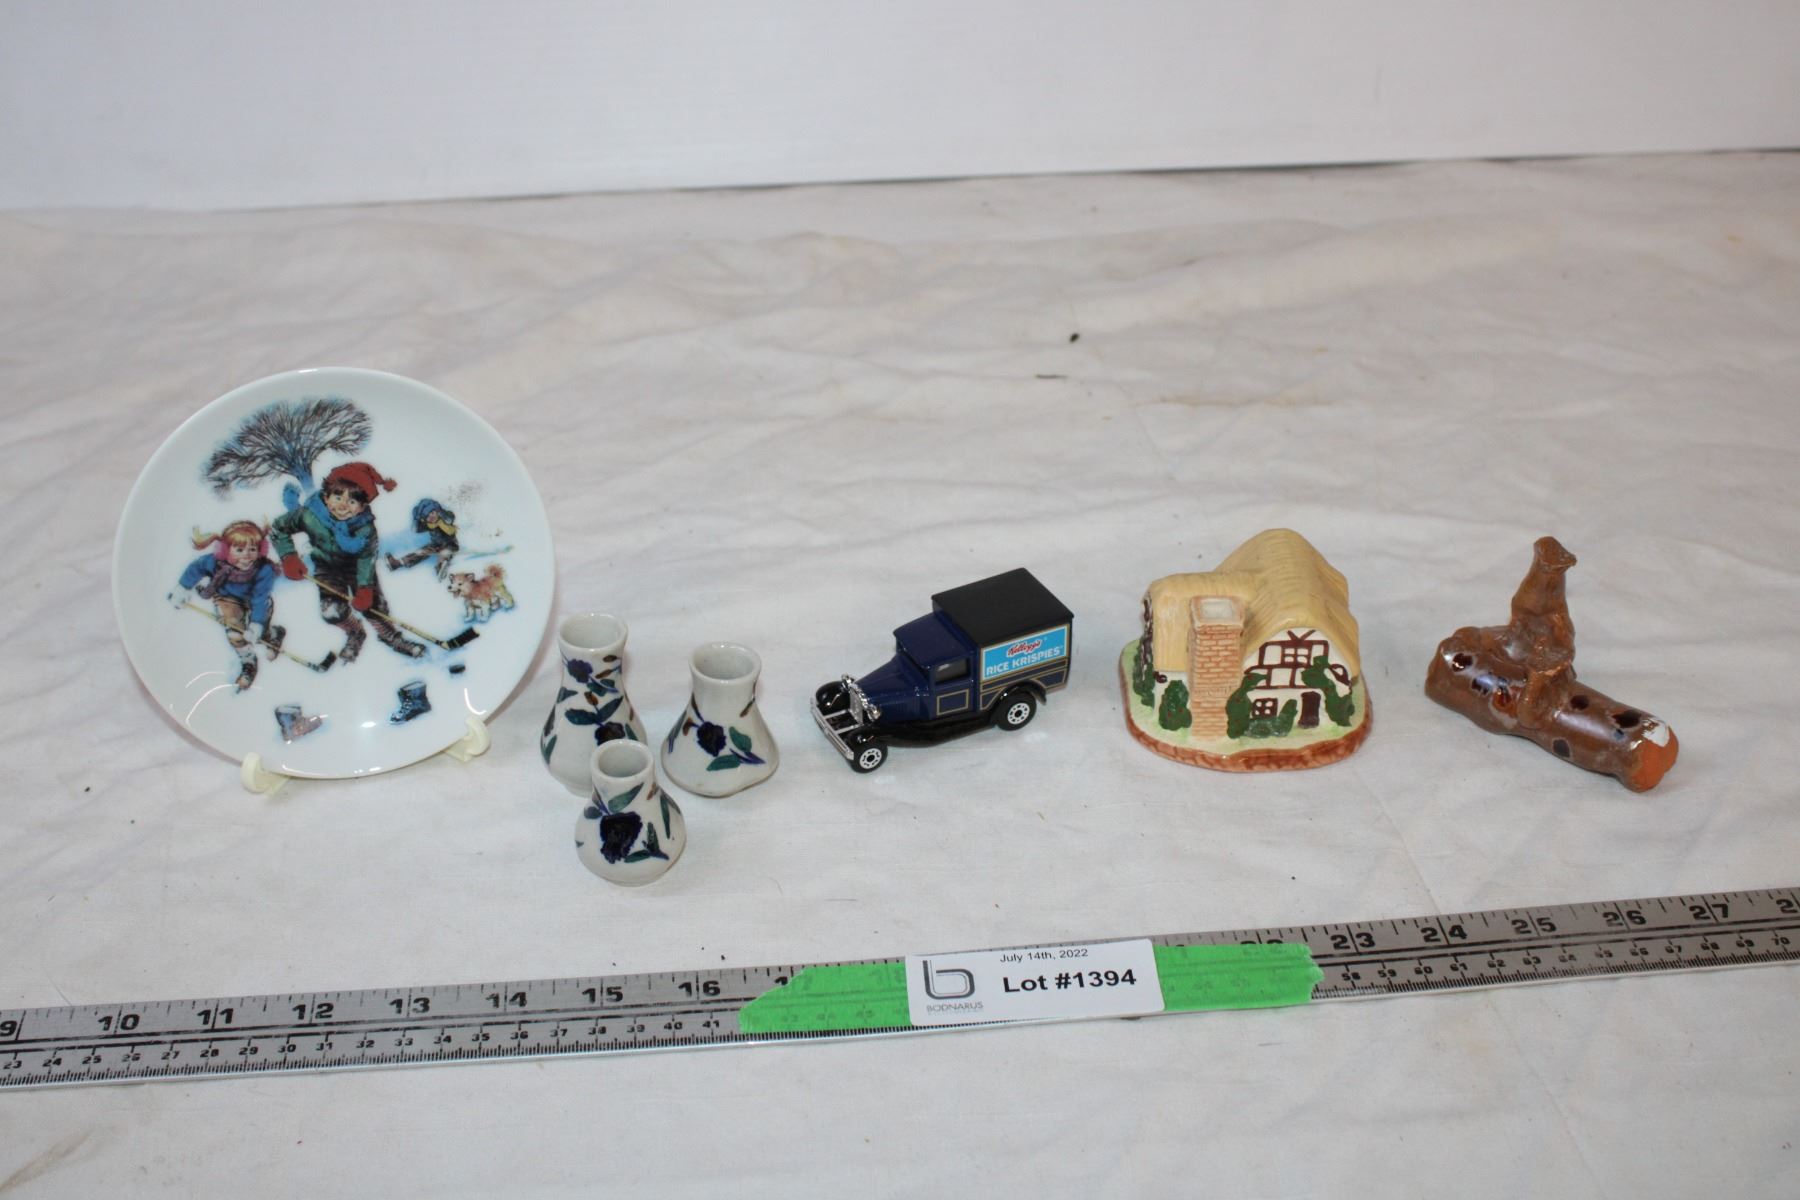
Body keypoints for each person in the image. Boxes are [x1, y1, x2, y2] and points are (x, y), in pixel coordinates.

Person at [271, 462, 426, 662]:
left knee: (373, 607)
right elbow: (279, 528)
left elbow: (366, 558)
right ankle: (355, 632)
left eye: (352, 501)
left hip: (357, 568)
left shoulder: (365, 529)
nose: (343, 505)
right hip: (327, 568)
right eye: (338, 497)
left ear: (363, 506)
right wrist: (288, 556)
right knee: (331, 611)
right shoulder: (310, 514)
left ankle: (392, 637)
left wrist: (364, 588)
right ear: (326, 496)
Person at [171, 521, 282, 690]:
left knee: (257, 632)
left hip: (255, 600)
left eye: (252, 549)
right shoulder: (216, 563)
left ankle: (273, 634)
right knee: (235, 632)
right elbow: (196, 568)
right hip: (227, 598)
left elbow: (260, 598)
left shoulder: (263, 569)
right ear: (225, 550)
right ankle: (248, 661)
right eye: (239, 550)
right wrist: (182, 589)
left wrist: (256, 624)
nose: (246, 556)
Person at [386, 497, 460, 578]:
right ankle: (397, 563)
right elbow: (415, 529)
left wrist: (440, 512)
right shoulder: (429, 525)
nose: (431, 517)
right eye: (428, 517)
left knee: (445, 553)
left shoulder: (445, 517)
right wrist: (416, 519)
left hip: (450, 543)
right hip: (435, 544)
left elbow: (449, 519)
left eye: (432, 513)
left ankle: (440, 567)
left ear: (437, 511)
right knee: (421, 552)